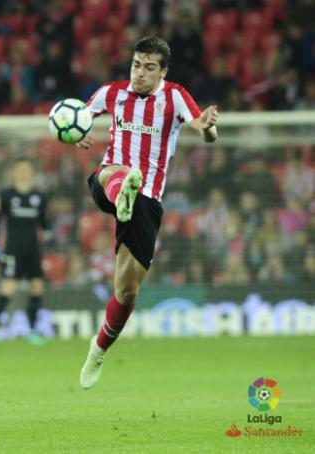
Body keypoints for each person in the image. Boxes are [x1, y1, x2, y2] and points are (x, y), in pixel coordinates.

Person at [77, 36, 218, 389]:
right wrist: (74, 133)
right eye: (136, 65)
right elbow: (77, 115)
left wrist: (206, 128)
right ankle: (122, 187)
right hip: (110, 179)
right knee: (114, 172)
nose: (140, 73)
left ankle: (98, 349)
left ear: (163, 71)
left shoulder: (174, 96)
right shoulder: (112, 93)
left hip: (147, 201)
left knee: (126, 293)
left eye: (149, 67)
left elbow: (202, 126)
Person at [0, 158, 51, 347]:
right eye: (20, 169)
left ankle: (32, 330)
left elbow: (44, 223)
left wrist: (48, 235)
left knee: (37, 287)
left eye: (26, 169)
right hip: (13, 249)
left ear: (31, 172)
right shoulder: (6, 195)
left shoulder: (40, 197)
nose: (23, 173)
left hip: (33, 249)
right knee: (8, 287)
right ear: (14, 173)